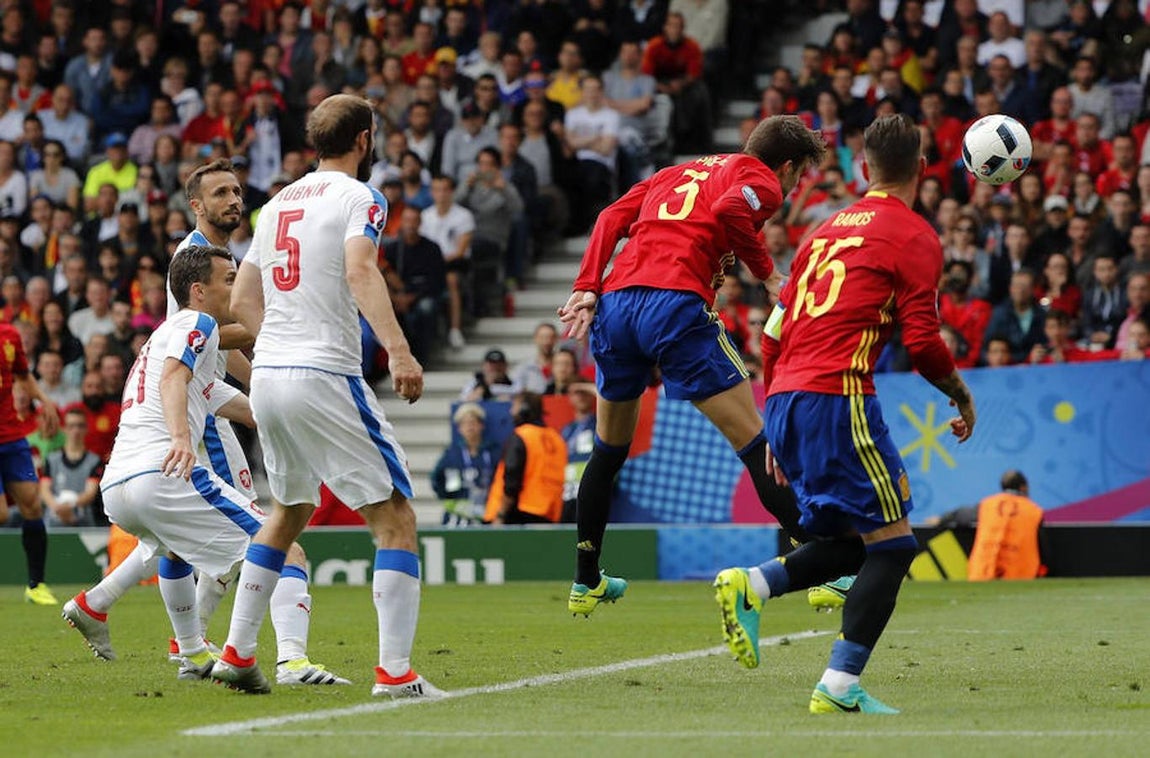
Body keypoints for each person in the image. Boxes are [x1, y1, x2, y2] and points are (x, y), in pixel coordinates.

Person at [714, 115, 976, 715]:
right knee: (895, 545)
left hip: (786, 398)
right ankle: (838, 686)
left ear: (863, 169)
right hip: (840, 396)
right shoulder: (913, 235)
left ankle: (752, 585)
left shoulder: (823, 231)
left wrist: (777, 420)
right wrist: (959, 393)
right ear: (924, 170)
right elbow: (924, 340)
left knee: (852, 541)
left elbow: (775, 331)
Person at [217, 93, 442, 699]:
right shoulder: (361, 197)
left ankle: (238, 652)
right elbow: (361, 271)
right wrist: (398, 350)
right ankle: (395, 674)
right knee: (394, 519)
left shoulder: (277, 203)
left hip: (268, 375)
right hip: (324, 371)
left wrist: (280, 345)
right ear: (365, 139)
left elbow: (240, 302)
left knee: (288, 512)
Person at [557, 115, 827, 617]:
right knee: (754, 441)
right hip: (674, 305)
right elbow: (730, 210)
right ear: (786, 166)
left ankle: (586, 578)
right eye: (797, 177)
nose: (789, 189)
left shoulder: (674, 174)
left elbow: (610, 219)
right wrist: (768, 277)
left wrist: (587, 284)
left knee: (608, 450)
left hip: (616, 309)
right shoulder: (759, 179)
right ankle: (831, 561)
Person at [0, 319, 60, 604]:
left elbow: (23, 376)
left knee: (32, 504)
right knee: (0, 513)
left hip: (11, 434)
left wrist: (43, 401)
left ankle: (36, 586)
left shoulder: (9, 335)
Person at [484, 391, 566, 525]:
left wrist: (501, 514)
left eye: (514, 406)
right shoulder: (557, 439)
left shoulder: (522, 435)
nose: (511, 411)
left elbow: (512, 478)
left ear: (524, 409)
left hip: (518, 514)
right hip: (550, 514)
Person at [967, 470, 1046, 581]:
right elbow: (1043, 545)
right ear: (1023, 487)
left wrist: (941, 519)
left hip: (983, 571)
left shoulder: (987, 505)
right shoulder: (1033, 510)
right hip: (1020, 573)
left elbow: (961, 515)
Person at [431, 402, 500, 525]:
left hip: (488, 514)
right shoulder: (452, 454)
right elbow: (437, 478)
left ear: (481, 425)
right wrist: (449, 499)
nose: (470, 427)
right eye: (465, 423)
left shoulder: (493, 452)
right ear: (459, 428)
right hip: (458, 516)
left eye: (473, 422)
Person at [40, 408, 102, 527]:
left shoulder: (94, 461)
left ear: (86, 429)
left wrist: (70, 504)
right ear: (64, 429)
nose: (76, 430)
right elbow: (44, 489)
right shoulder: (52, 459)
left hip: (83, 524)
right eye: (71, 426)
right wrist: (57, 507)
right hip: (53, 523)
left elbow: (90, 493)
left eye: (80, 426)